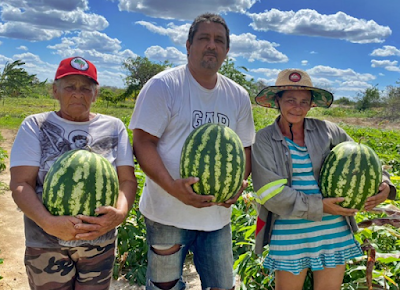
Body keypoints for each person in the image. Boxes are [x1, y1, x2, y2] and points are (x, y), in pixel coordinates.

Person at [129, 13, 255, 290]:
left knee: (223, 285)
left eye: (219, 40)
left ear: (226, 51)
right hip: (167, 213)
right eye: (204, 38)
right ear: (188, 45)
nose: (212, 45)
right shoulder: (164, 85)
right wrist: (174, 187)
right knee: (166, 286)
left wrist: (238, 184)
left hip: (217, 218)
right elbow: (143, 142)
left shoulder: (238, 95)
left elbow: (245, 148)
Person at [251, 68, 397, 290]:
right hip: (290, 232)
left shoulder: (328, 130)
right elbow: (270, 194)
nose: (297, 107)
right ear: (277, 101)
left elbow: (364, 157)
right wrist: (321, 206)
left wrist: (386, 184)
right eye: (290, 99)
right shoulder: (263, 140)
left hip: (332, 231)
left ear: (311, 105)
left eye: (304, 101)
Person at [9, 56, 137, 290]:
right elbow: (20, 184)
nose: (78, 93)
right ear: (55, 91)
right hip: (46, 243)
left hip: (100, 244)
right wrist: (49, 222)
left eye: (85, 88)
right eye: (70, 87)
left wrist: (119, 213)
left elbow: (127, 180)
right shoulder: (35, 125)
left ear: (95, 94)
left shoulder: (114, 127)